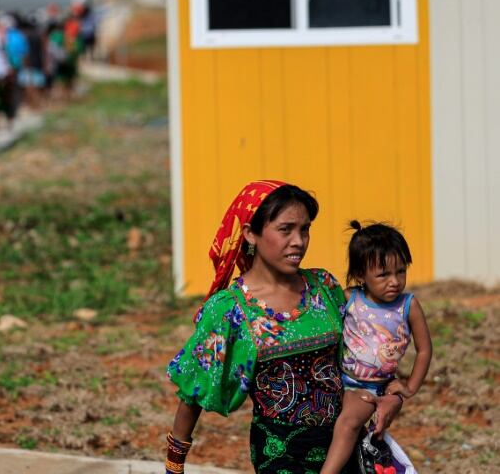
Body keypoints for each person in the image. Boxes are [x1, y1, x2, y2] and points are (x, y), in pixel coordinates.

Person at [165, 181, 403, 474]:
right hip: (279, 452)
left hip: (341, 444)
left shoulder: (324, 287)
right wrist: (174, 465)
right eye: (285, 229)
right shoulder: (231, 309)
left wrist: (394, 396)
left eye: (304, 229)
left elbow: (371, 351)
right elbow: (194, 391)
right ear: (251, 233)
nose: (298, 241)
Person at [320, 221, 432, 474]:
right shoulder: (349, 298)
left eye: (401, 271)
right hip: (338, 380)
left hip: (370, 388)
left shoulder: (408, 306)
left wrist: (409, 387)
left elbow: (424, 350)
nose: (394, 281)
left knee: (348, 424)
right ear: (361, 275)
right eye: (383, 275)